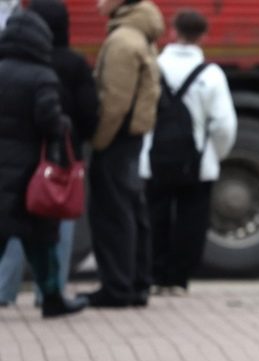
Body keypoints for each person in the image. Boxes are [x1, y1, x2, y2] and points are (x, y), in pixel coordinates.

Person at [0, 0, 99, 308]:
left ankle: (8, 291)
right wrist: (65, 126)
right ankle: (52, 297)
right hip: (32, 170)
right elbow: (50, 121)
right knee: (43, 238)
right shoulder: (41, 76)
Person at [139, 9, 236, 296]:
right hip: (196, 162)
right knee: (191, 220)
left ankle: (156, 274)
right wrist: (213, 155)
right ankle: (179, 278)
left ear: (172, 31)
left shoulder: (153, 67)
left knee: (155, 216)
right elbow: (224, 124)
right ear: (203, 36)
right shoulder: (211, 74)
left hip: (154, 158)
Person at [85, 0, 163, 308]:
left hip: (116, 139)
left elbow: (114, 102)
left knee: (113, 214)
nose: (97, 3)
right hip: (131, 138)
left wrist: (99, 142)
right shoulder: (139, 34)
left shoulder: (121, 41)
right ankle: (136, 283)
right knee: (132, 210)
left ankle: (116, 287)